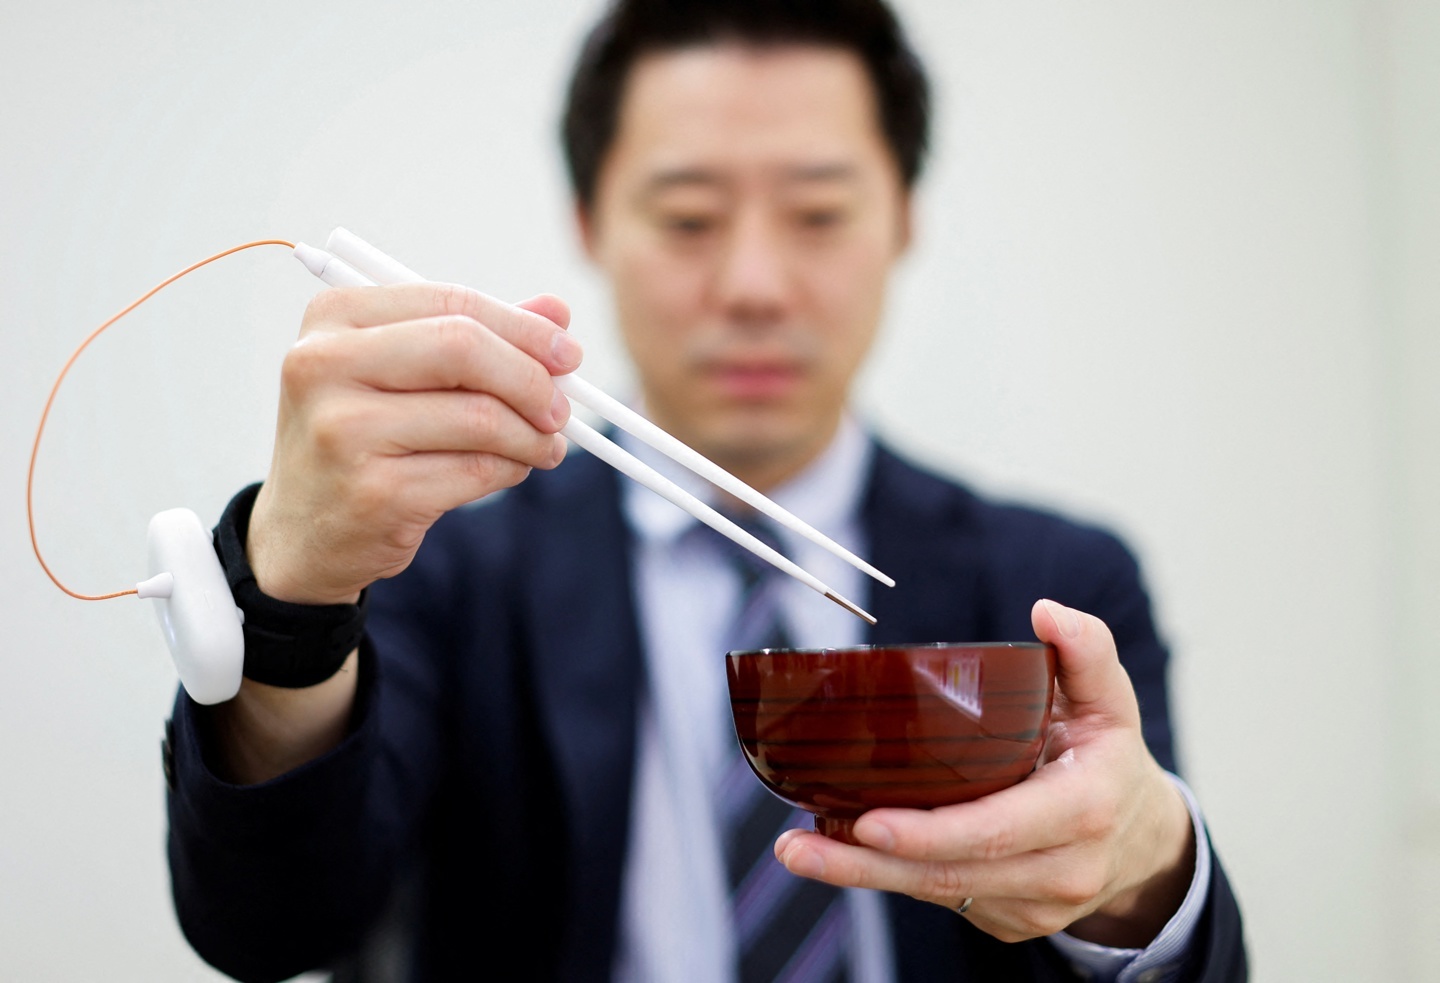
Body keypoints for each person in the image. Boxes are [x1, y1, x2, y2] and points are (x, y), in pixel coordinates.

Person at [164, 1, 1246, 980]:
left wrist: (1147, 865)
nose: (753, 286)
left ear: (905, 218)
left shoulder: (1056, 582)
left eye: (818, 214)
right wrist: (297, 597)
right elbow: (269, 923)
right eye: (688, 219)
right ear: (591, 223)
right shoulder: (439, 568)